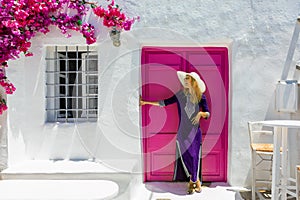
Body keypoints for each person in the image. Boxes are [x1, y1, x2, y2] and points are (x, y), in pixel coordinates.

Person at [140, 71, 210, 195]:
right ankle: (194, 180)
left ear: (193, 82)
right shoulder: (180, 95)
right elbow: (165, 103)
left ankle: (193, 181)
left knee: (194, 156)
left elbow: (207, 113)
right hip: (182, 131)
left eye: (188, 79)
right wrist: (145, 102)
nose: (185, 81)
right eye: (185, 79)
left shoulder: (200, 97)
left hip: (194, 132)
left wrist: (201, 114)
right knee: (186, 156)